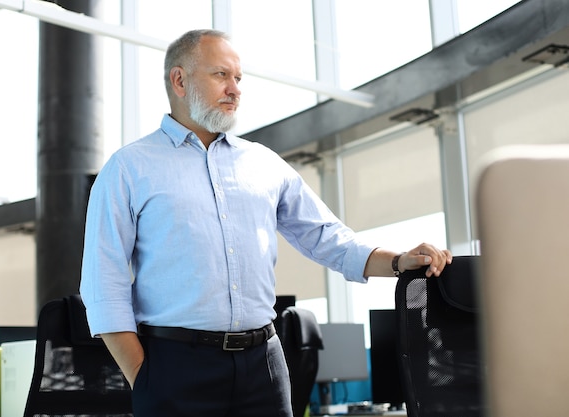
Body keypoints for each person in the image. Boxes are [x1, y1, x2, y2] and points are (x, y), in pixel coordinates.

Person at [79, 29, 452, 417]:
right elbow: (102, 280)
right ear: (179, 80)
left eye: (238, 78)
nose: (234, 89)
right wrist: (142, 373)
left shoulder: (263, 163)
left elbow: (325, 237)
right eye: (220, 75)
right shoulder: (128, 168)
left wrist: (398, 261)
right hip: (175, 368)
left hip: (264, 367)